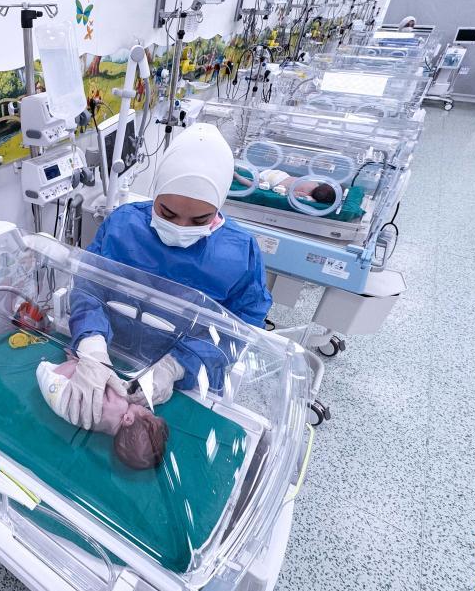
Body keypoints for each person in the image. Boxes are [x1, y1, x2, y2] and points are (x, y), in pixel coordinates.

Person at [59, 123, 272, 429]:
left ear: (219, 207)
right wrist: (92, 345)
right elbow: (89, 286)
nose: (180, 228)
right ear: (155, 193)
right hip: (111, 356)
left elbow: (242, 326)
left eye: (200, 219)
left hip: (186, 381)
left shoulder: (239, 253)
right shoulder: (123, 226)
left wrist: (177, 366)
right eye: (167, 213)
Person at [36, 359, 169, 470]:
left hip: (58, 386)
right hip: (60, 406)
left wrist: (127, 391)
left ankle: (72, 360)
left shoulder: (120, 405)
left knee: (82, 363)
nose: (146, 409)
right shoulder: (108, 430)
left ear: (128, 419)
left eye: (146, 412)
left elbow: (106, 376)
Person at [234, 168, 338, 205]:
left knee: (257, 178)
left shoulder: (314, 182)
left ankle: (240, 173)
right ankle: (237, 176)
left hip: (279, 174)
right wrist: (310, 199)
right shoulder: (306, 194)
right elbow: (291, 194)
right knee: (252, 184)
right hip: (274, 182)